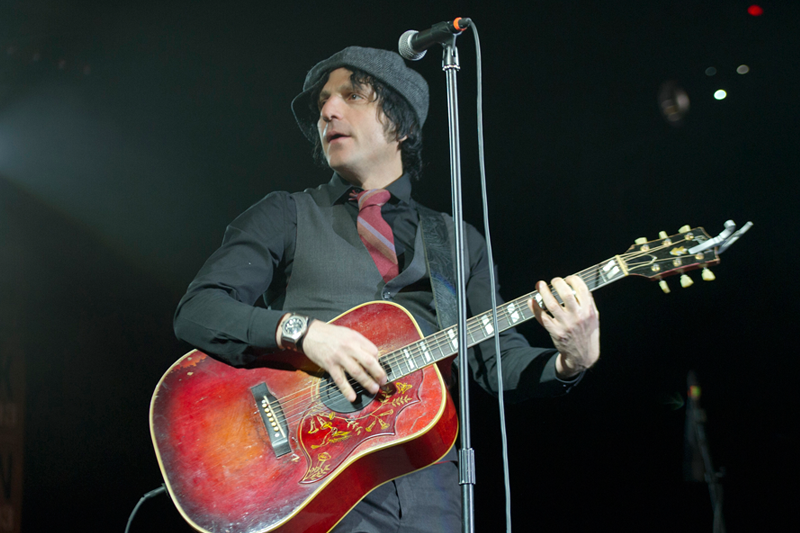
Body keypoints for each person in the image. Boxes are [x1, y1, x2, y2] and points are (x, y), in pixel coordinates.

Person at [174, 46, 600, 532]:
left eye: (352, 96)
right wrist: (304, 332)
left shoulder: (458, 241)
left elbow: (495, 360)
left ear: (402, 125)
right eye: (323, 102)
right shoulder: (285, 214)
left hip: (430, 486)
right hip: (312, 483)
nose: (329, 110)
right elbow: (198, 309)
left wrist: (570, 362)